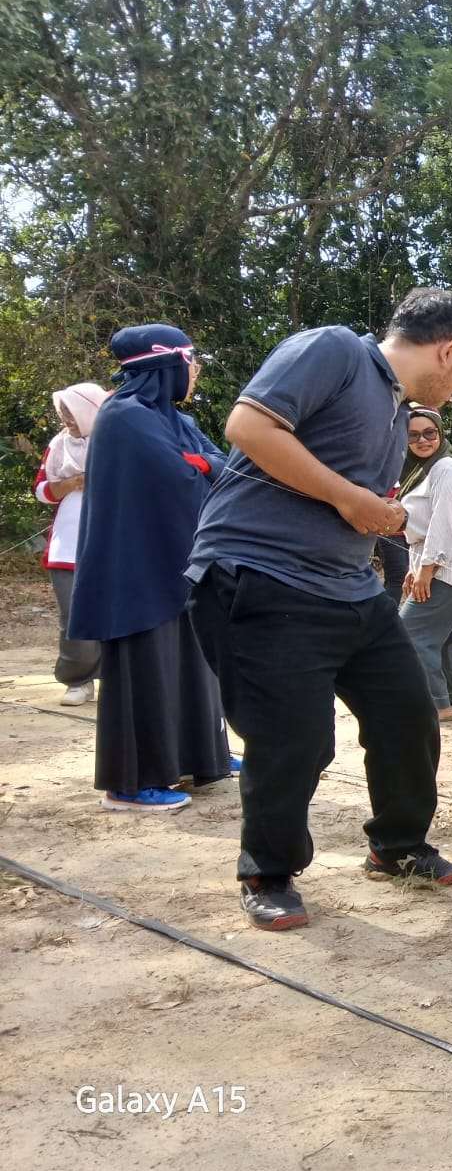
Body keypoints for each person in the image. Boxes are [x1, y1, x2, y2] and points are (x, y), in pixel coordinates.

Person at [188, 287, 452, 931]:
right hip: (263, 577)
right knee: (296, 738)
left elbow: (346, 493)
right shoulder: (335, 351)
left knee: (408, 713)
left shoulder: (396, 409)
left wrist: (377, 514)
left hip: (348, 588)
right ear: (448, 349)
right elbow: (248, 426)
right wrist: (352, 499)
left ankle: (397, 845)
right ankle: (268, 870)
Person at [70, 326, 231, 812]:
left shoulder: (173, 419)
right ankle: (129, 784)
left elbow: (224, 467)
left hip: (178, 563)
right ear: (166, 366)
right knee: (145, 669)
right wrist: (201, 467)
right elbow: (177, 480)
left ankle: (199, 758)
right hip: (137, 570)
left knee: (190, 664)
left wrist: (200, 465)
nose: (196, 370)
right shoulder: (124, 416)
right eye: (191, 360)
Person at [397, 405, 452, 720]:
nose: (423, 441)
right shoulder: (424, 469)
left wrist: (426, 570)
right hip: (450, 564)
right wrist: (415, 567)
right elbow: (423, 528)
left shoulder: (447, 469)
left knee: (411, 634)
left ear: (441, 433)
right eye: (413, 435)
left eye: (430, 433)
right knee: (445, 639)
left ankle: (436, 705)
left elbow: (443, 526)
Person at [34, 382, 109, 706]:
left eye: (71, 410)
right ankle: (78, 680)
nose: (65, 417)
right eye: (61, 410)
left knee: (115, 613)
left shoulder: (116, 441)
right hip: (68, 544)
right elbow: (41, 490)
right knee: (74, 616)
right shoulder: (58, 445)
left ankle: (116, 680)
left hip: (113, 544)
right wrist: (72, 482)